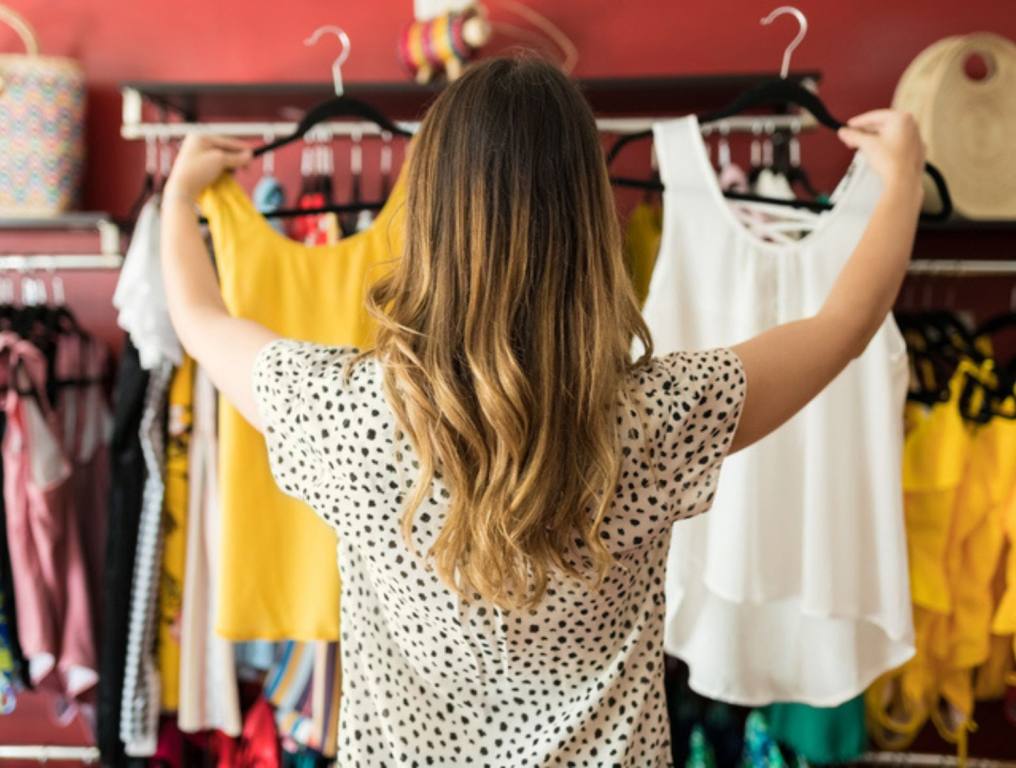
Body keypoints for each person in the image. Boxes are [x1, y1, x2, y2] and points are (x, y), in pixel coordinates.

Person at [161, 57, 925, 767]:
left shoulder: (351, 412)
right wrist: (901, 184)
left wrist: (179, 196)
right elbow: (843, 327)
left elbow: (199, 319)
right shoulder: (654, 419)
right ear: (589, 222)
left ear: (426, 218)